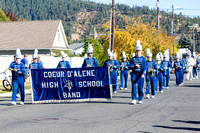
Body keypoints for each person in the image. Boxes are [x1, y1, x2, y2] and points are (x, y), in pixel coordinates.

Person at [129, 40, 147, 104]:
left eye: (139, 51)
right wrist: (134, 66)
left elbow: (145, 67)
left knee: (140, 87)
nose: (138, 52)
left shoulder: (143, 59)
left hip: (140, 74)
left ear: (141, 51)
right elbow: (129, 66)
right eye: (137, 51)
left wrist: (143, 74)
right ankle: (134, 99)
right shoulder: (133, 59)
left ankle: (140, 98)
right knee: (134, 86)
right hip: (134, 74)